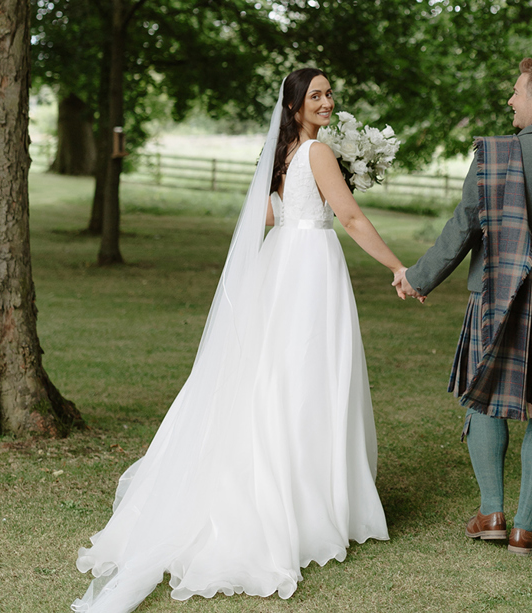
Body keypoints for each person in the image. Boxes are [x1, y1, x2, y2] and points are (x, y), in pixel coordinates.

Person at [72, 68, 409, 612]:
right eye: (316, 96)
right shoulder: (318, 155)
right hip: (310, 269)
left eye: (329, 94)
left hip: (284, 265)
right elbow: (346, 215)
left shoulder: (285, 154)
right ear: (295, 105)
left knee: (278, 378)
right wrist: (398, 266)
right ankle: (305, 503)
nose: (326, 102)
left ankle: (295, 492)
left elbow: (272, 213)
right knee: (307, 378)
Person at [394, 57, 532, 555]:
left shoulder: (494, 155)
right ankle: (524, 527)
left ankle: (491, 512)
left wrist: (418, 277)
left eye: (516, 92)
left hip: (497, 295)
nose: (510, 100)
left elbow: (464, 226)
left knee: (484, 394)